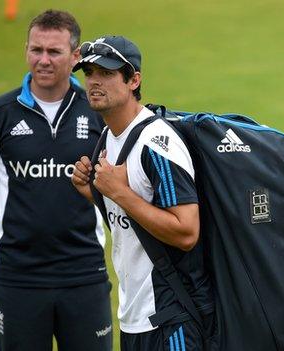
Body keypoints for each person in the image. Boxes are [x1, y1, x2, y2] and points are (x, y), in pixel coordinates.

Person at [0, 10, 112, 351]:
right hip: (19, 278)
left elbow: (120, 182)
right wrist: (19, 205)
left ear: (75, 57)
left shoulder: (98, 113)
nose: (43, 60)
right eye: (35, 49)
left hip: (84, 274)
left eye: (54, 52)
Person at [70, 35, 215, 350]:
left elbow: (186, 231)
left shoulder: (157, 142)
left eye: (106, 73)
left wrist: (117, 192)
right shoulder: (108, 137)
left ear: (134, 80)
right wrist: (94, 193)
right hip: (134, 317)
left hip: (171, 317)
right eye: (89, 73)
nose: (94, 82)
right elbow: (131, 219)